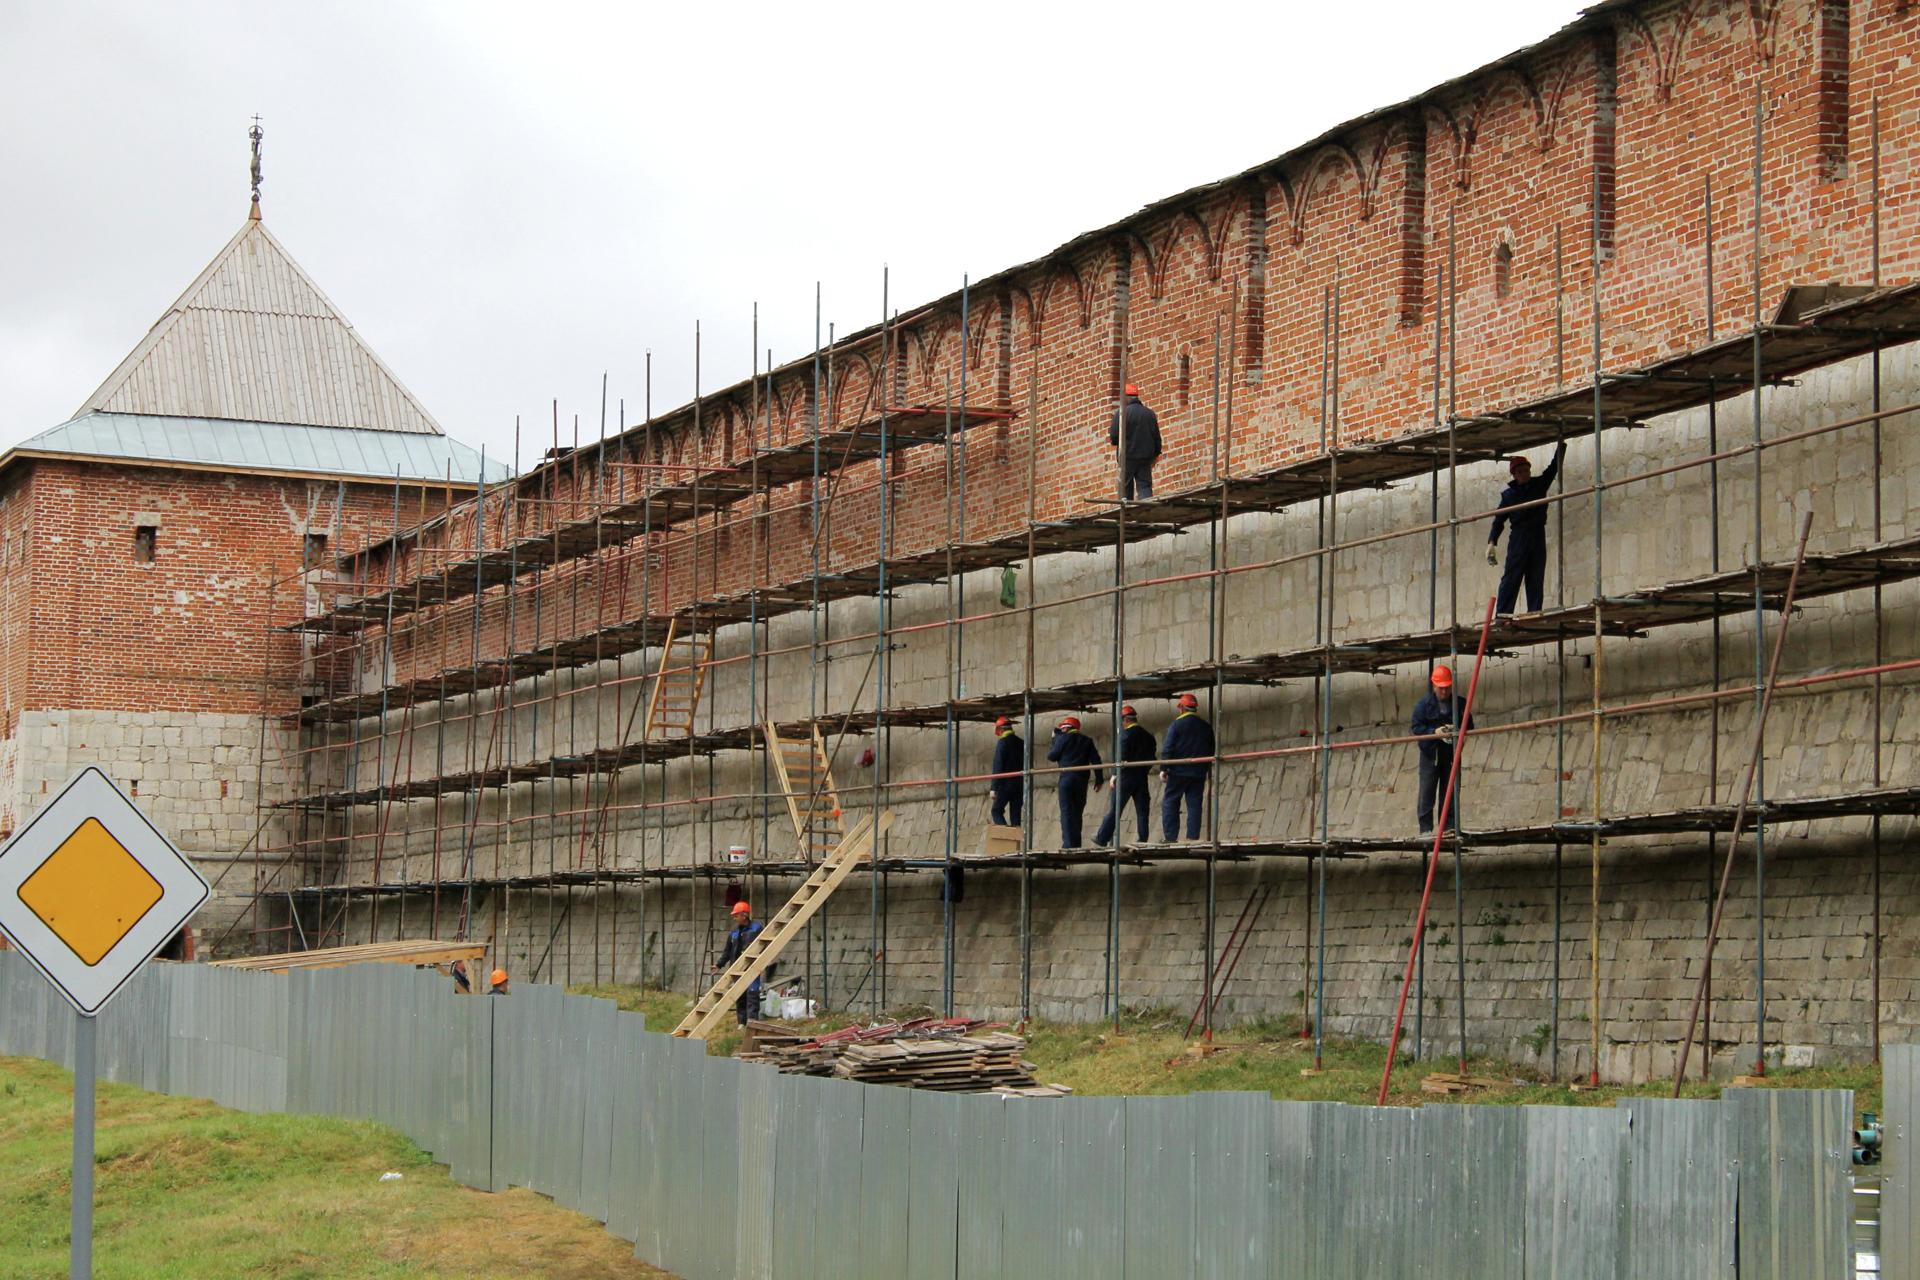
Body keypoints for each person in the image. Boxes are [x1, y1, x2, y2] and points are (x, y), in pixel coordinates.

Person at [1487, 441, 1567, 615]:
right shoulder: (1509, 495)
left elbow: (1553, 468)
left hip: (1537, 534)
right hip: (1519, 537)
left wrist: (1562, 445)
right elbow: (1499, 520)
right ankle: (1503, 613)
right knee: (1512, 576)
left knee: (1536, 575)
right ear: (1514, 475)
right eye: (1520, 472)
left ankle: (1534, 611)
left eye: (1526, 470)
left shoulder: (1539, 485)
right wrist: (1492, 542)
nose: (1524, 474)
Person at [1411, 664, 1471, 834]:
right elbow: (1416, 728)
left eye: (1447, 688)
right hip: (1431, 754)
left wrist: (1459, 734)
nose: (1444, 692)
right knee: (1427, 792)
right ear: (1434, 685)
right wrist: (1434, 732)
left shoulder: (1459, 704)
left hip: (1451, 754)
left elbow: (1468, 725)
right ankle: (1426, 829)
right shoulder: (1423, 706)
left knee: (1450, 792)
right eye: (1441, 688)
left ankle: (1449, 827)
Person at [1094, 705, 1156, 846]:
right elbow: (1152, 756)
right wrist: (1144, 769)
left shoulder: (1125, 735)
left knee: (1116, 809)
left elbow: (1121, 754)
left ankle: (1102, 837)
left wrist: (1115, 774)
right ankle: (1143, 839)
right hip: (1141, 776)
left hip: (1126, 776)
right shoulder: (1148, 736)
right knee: (1142, 810)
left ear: (1124, 720)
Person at [1159, 693, 1214, 842]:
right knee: (1195, 805)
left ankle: (1171, 837)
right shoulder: (1206, 727)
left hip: (1178, 771)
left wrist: (1164, 768)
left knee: (1170, 801)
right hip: (1198, 773)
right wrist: (1205, 768)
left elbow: (1168, 748)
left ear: (1181, 708)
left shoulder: (1176, 725)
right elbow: (1211, 749)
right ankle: (1192, 837)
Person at [1046, 715, 1103, 848]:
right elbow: (1096, 761)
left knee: (1066, 812)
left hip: (1066, 779)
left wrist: (1054, 740)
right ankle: (1076, 844)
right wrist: (1099, 779)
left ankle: (1068, 844)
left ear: (1066, 728)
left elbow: (1052, 756)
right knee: (1077, 812)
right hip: (1082, 780)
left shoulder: (1062, 738)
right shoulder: (1087, 741)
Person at [1106, 382, 1162, 501]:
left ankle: (1127, 515)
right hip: (1145, 458)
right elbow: (1157, 438)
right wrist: (1155, 454)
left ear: (1126, 398)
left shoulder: (1122, 414)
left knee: (1125, 489)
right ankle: (1146, 510)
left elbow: (1114, 437)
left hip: (1127, 457)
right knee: (1145, 487)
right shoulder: (1149, 413)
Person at [715, 901, 765, 1025]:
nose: (734, 917)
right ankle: (741, 1023)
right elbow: (727, 951)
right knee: (740, 995)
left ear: (744, 915)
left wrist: (763, 963)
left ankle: (753, 1022)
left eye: (736, 915)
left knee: (752, 993)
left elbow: (764, 947)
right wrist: (718, 965)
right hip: (737, 968)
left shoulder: (757, 928)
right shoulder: (733, 932)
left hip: (752, 967)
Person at [989, 715, 1024, 828]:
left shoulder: (1002, 743)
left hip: (1005, 784)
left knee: (996, 810)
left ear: (1000, 729)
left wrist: (994, 787)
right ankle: (1016, 843)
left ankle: (1006, 837)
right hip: (1019, 783)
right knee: (1015, 815)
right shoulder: (1021, 743)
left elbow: (998, 765)